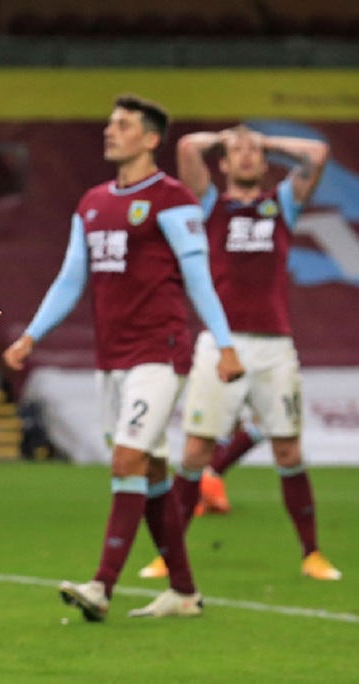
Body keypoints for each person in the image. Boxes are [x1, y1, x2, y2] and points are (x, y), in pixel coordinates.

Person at [3, 94, 244, 622]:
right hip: (110, 358)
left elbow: (198, 277)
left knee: (127, 459)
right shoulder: (91, 202)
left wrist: (224, 344)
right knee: (151, 468)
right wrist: (32, 336)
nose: (110, 131)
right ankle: (183, 591)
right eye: (110, 123)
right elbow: (71, 278)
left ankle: (102, 586)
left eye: (124, 125)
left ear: (151, 139)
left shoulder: (173, 199)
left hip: (160, 351)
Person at [138, 125, 341, 581]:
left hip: (274, 347)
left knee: (288, 452)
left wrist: (265, 141)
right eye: (237, 153)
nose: (247, 157)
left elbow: (319, 151)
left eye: (255, 152)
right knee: (194, 454)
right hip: (220, 344)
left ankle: (311, 554)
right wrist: (228, 137)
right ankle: (169, 554)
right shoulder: (211, 205)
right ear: (224, 164)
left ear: (265, 161)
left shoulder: (282, 204)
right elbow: (189, 147)